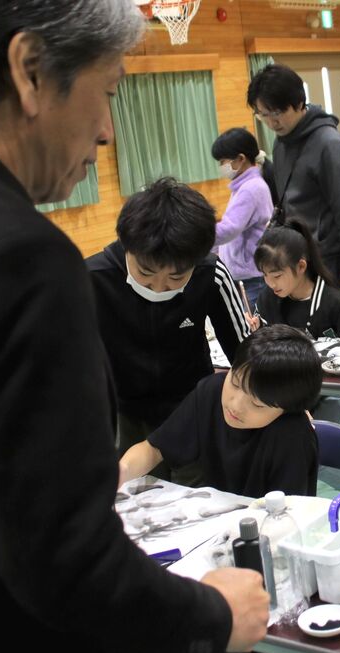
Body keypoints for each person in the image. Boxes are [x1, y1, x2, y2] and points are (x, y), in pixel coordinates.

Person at [0, 2, 270, 653]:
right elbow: (61, 559)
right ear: (28, 71)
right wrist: (211, 617)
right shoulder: (18, 259)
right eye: (108, 91)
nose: (109, 131)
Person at [87, 177, 251, 485]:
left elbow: (246, 351)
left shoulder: (210, 274)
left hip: (192, 409)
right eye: (145, 273)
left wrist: (277, 396)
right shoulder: (92, 280)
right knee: (136, 496)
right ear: (128, 247)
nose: (159, 287)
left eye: (176, 278)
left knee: (201, 496)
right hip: (124, 413)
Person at [119, 324, 323, 499]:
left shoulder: (292, 435)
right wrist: (120, 473)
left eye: (257, 404)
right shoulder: (212, 391)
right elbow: (153, 449)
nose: (235, 405)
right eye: (235, 383)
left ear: (287, 408)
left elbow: (289, 516)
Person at [247, 63, 340, 300]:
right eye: (263, 115)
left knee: (334, 332)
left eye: (277, 112)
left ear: (299, 103)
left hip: (329, 261)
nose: (272, 122)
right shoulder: (281, 143)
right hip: (297, 259)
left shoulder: (329, 144)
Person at [252, 222, 340, 339]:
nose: (270, 283)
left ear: (301, 266)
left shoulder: (336, 304)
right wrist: (255, 328)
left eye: (277, 276)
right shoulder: (268, 298)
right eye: (264, 275)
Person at [211, 126, 275, 308]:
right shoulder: (242, 186)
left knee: (256, 329)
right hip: (246, 276)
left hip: (253, 278)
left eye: (223, 161)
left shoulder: (251, 188)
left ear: (240, 159)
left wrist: (198, 237)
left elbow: (229, 229)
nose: (221, 167)